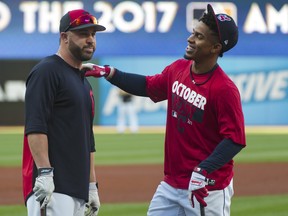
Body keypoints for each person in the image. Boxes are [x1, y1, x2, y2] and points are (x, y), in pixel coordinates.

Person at [82, 4, 246, 216]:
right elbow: (148, 86)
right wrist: (109, 72)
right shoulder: (178, 69)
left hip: (206, 188)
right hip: (171, 184)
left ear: (215, 48)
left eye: (199, 36)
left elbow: (234, 139)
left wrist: (203, 170)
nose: (190, 39)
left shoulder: (224, 89)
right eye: (193, 32)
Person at [22, 9, 105, 216]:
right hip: (52, 187)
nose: (90, 40)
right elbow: (35, 125)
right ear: (64, 37)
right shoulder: (46, 71)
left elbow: (89, 139)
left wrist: (91, 185)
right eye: (83, 33)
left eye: (93, 34)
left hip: (77, 189)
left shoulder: (84, 82)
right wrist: (45, 173)